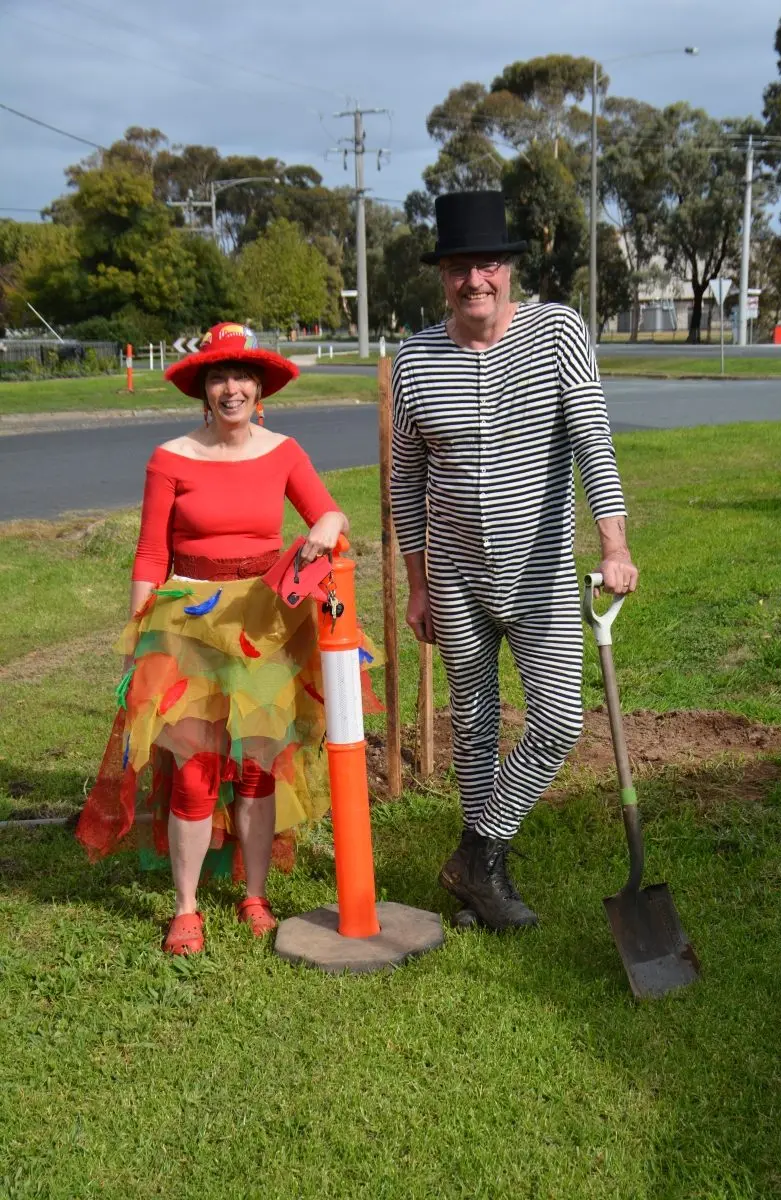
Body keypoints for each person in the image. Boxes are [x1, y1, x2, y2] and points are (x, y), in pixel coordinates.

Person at [77, 322, 379, 955]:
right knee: (191, 772)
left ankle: (254, 894)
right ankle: (186, 908)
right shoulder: (171, 457)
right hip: (186, 618)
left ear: (259, 388)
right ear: (204, 390)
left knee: (255, 769)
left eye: (243, 376)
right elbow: (150, 551)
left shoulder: (285, 450)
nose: (232, 388)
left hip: (265, 623)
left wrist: (327, 520)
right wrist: (138, 639)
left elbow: (329, 513)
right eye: (219, 377)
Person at [390, 191, 639, 931]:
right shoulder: (415, 361)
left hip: (543, 577)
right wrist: (417, 584)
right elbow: (406, 479)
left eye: (488, 264)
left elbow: (592, 439)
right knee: (470, 726)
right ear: (443, 276)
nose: (476, 279)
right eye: (461, 266)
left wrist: (615, 543)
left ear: (509, 270)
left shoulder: (559, 330)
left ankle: (479, 851)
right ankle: (485, 885)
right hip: (455, 580)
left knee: (559, 721)